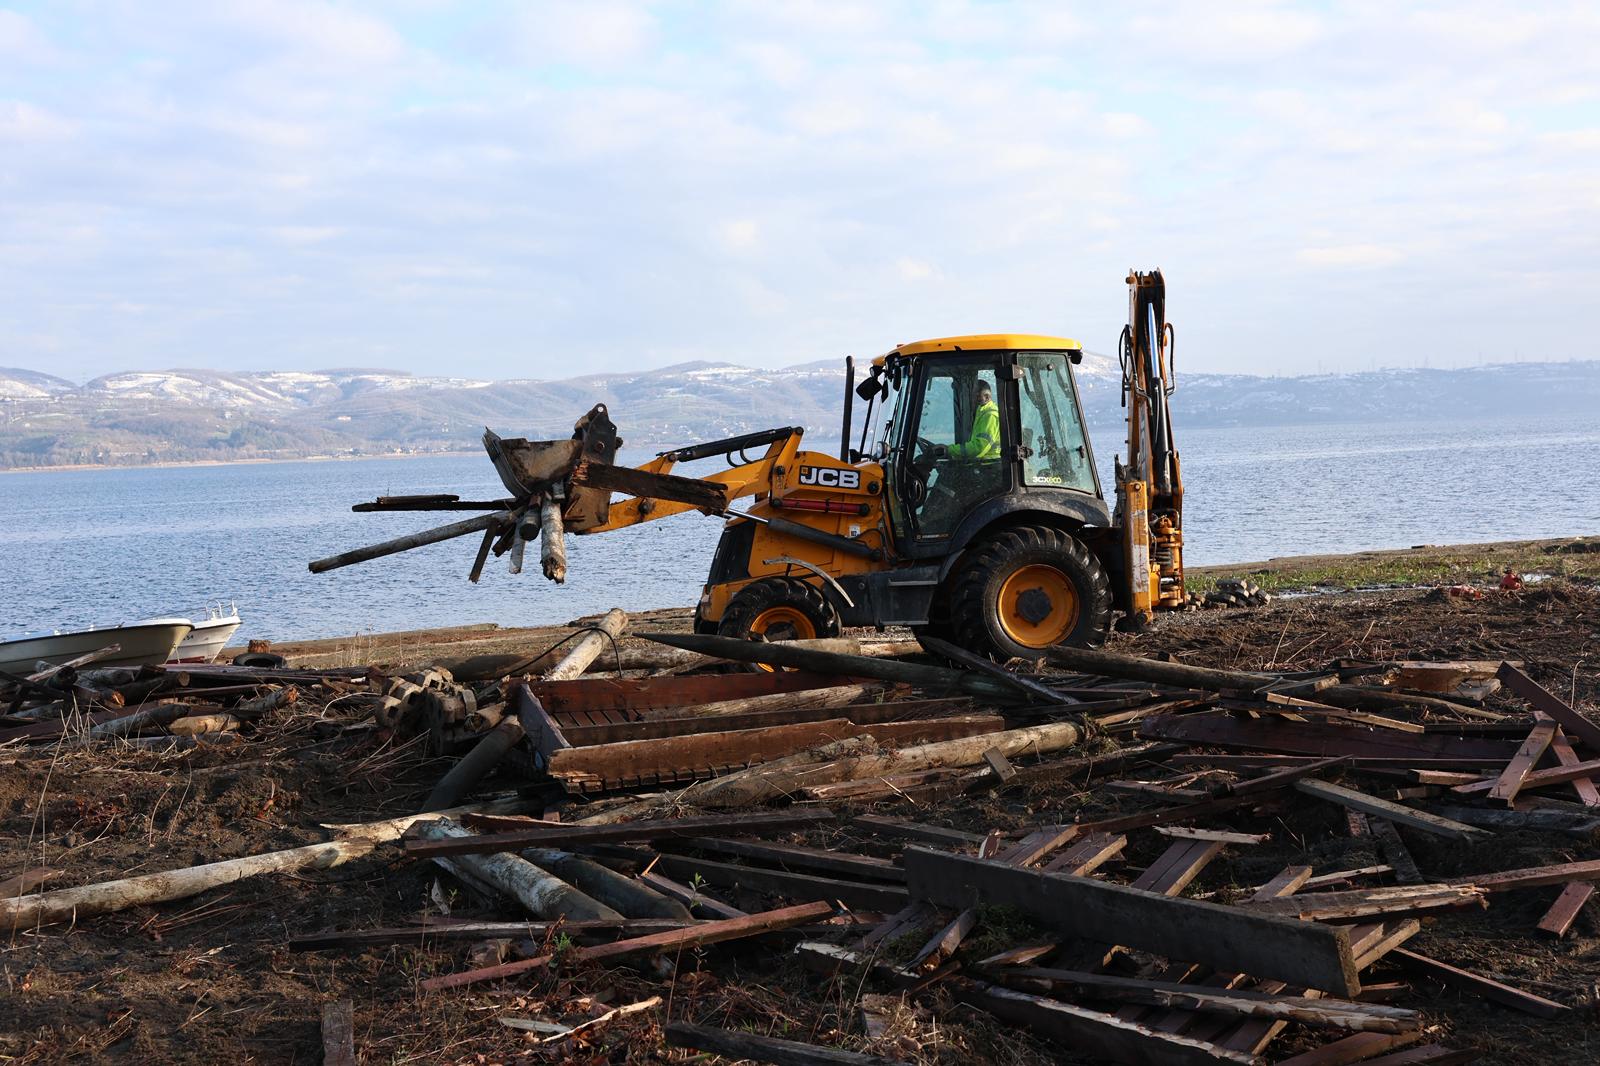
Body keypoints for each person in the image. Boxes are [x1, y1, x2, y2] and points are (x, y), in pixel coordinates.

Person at [941, 380, 1000, 461]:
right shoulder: (981, 411)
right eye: (972, 396)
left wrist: (949, 450)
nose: (973, 399)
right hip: (984, 463)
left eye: (977, 396)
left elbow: (980, 447)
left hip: (990, 464)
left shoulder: (990, 416)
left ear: (986, 397)